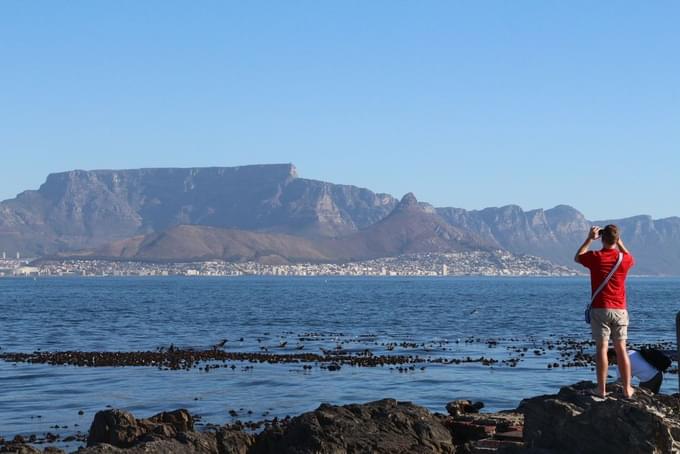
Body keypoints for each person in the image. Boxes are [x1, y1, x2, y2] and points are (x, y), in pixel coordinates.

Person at [575, 224, 635, 398]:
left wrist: (589, 238)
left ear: (601, 238)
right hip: (620, 309)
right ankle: (627, 389)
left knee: (601, 349)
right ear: (617, 240)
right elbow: (629, 255)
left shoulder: (596, 257)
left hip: (600, 308)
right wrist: (619, 241)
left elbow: (578, 257)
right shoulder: (625, 259)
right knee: (621, 349)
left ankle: (601, 390)